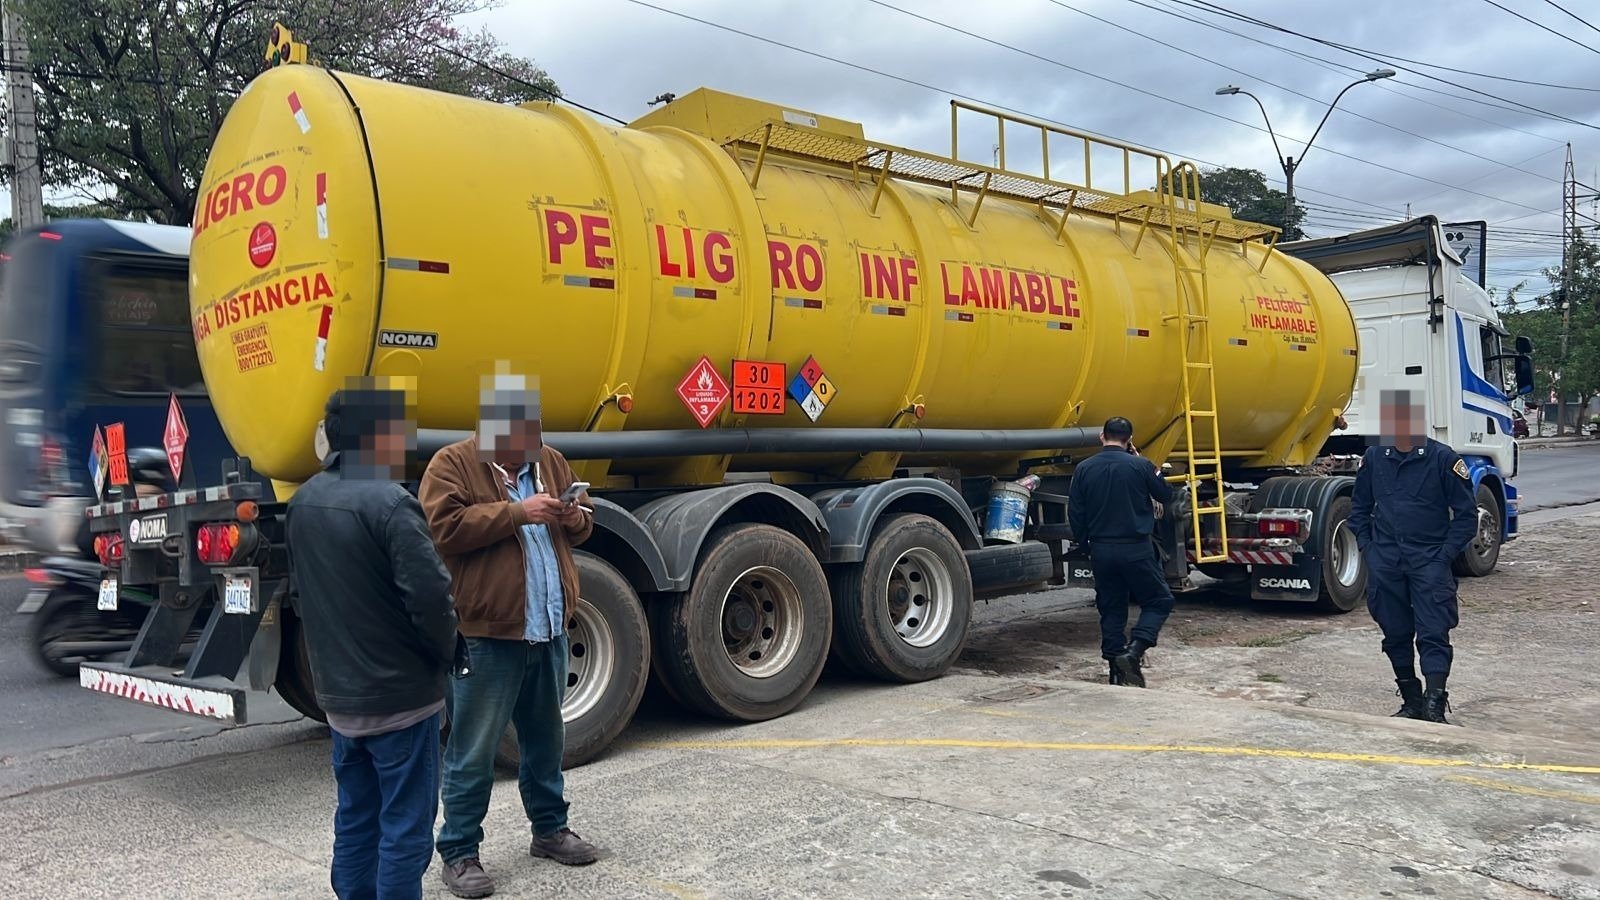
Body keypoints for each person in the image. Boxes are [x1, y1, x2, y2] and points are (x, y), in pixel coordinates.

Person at [419, 376, 602, 899]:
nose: (534, 437)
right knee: (473, 750)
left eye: (536, 425)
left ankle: (549, 830)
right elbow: (443, 528)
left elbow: (584, 525)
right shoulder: (451, 464)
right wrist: (520, 512)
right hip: (485, 636)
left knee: (547, 742)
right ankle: (458, 852)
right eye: (523, 428)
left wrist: (573, 515)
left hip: (546, 629)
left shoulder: (549, 461)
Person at [284, 386, 459, 900]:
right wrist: (449, 654)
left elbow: (302, 594)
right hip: (402, 700)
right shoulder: (391, 504)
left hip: (340, 699)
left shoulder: (304, 501)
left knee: (356, 817)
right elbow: (431, 599)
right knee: (405, 826)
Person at [1348, 389, 1477, 724]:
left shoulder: (1444, 460)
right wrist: (1368, 549)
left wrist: (1443, 557)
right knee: (1394, 632)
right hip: (1387, 562)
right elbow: (1359, 510)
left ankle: (1435, 705)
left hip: (1429, 560)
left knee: (1434, 632)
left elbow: (1466, 517)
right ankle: (1411, 700)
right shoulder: (1375, 458)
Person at [1067, 416, 1176, 688]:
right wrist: (1147, 463)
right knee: (1159, 600)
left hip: (1101, 550)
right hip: (1136, 548)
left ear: (1101, 436)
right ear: (1129, 440)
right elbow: (1166, 494)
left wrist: (1085, 544)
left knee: (1112, 609)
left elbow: (1076, 512)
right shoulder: (1140, 466)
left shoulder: (1084, 468)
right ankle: (1134, 651)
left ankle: (1116, 672)